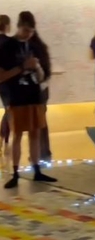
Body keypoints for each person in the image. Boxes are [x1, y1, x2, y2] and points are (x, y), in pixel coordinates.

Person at [0, 11, 56, 189]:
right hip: (16, 96)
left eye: (31, 31)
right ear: (18, 26)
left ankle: (37, 169)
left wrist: (38, 68)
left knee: (35, 133)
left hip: (35, 96)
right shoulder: (8, 46)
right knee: (17, 134)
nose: (28, 35)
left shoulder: (35, 46)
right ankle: (15, 172)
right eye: (25, 30)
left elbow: (42, 75)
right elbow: (2, 76)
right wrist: (22, 67)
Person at [29, 30, 51, 161]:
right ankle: (45, 152)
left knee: (35, 122)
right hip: (44, 88)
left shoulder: (30, 51)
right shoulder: (43, 49)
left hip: (34, 89)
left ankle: (36, 154)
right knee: (42, 121)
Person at [0, 14, 11, 161]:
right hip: (7, 81)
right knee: (10, 111)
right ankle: (5, 140)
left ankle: (3, 140)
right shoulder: (10, 43)